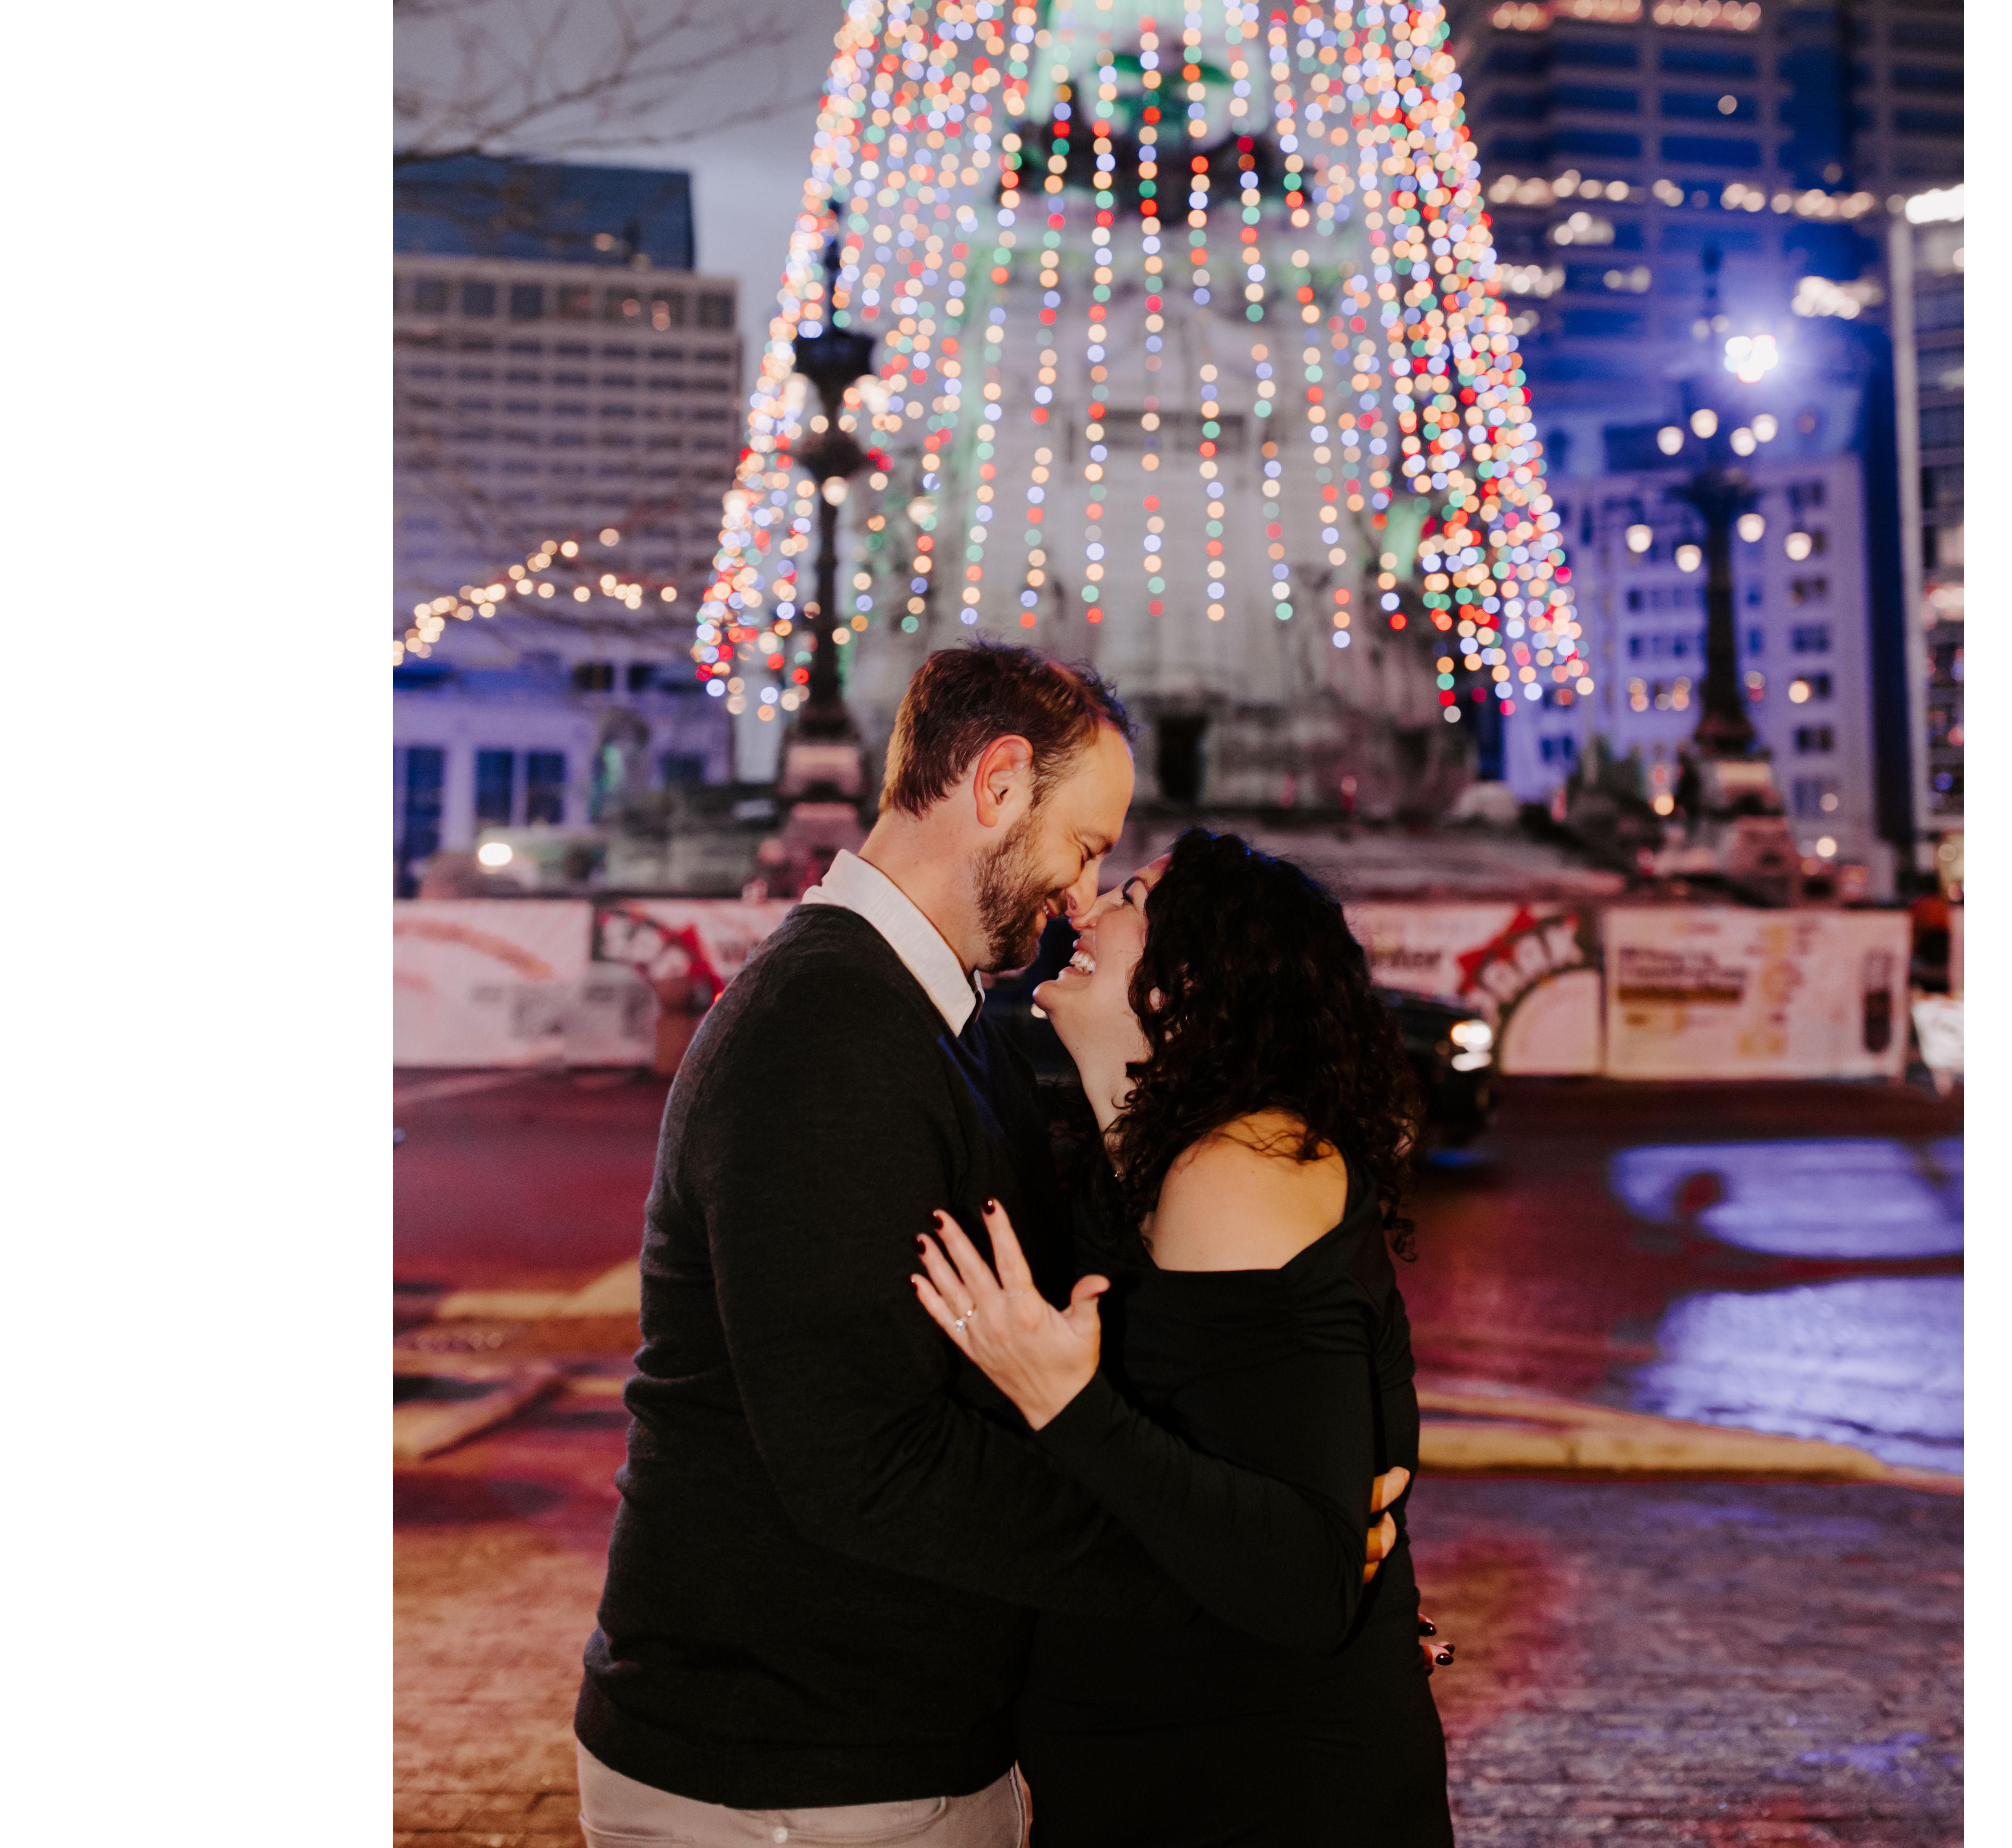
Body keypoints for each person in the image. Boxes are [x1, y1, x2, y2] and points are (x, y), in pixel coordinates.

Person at [573, 645, 1410, 1847]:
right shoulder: (827, 1029)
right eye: (1085, 843)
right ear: (999, 783)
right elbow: (865, 1460)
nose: (1081, 891)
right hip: (791, 1770)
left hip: (860, 1755)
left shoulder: (935, 1017)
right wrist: (1235, 1579)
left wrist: (1282, 1545)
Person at [912, 829, 1455, 1847]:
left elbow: (1305, 1580)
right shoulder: (1132, 1167)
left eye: (1131, 899)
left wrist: (1066, 1403)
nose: (1086, 909)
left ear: (1192, 979)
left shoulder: (1237, 1171)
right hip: (1168, 1763)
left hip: (1261, 1784)